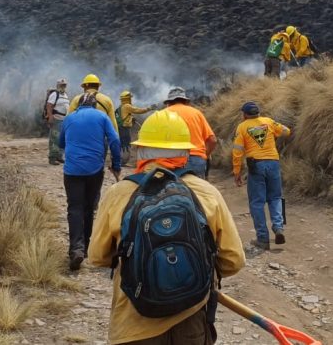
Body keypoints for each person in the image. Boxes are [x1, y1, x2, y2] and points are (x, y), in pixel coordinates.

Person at [88, 110, 246, 344]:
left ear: (142, 150)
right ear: (185, 152)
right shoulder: (206, 192)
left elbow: (97, 257)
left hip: (133, 325)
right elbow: (233, 260)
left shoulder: (118, 194)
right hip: (191, 322)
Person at [59, 92, 122, 271]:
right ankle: (85, 249)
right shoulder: (102, 117)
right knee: (88, 208)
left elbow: (60, 142)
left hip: (72, 171)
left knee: (74, 208)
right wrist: (116, 163)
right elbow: (115, 140)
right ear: (94, 105)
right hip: (95, 170)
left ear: (79, 105)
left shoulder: (69, 118)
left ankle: (76, 249)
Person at [231, 101, 291, 251]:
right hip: (273, 163)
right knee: (275, 197)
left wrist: (237, 172)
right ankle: (278, 228)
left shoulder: (242, 127)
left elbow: (237, 152)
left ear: (244, 115)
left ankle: (263, 239)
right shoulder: (268, 122)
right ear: (258, 113)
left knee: (257, 202)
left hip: (256, 166)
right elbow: (286, 131)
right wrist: (274, 133)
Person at [163, 87, 216, 179]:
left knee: (172, 191)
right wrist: (204, 156)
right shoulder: (196, 113)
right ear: (186, 101)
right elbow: (213, 140)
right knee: (198, 192)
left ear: (168, 103)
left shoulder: (162, 114)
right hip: (196, 160)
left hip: (171, 160)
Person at [116, 90, 154, 164]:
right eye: (130, 98)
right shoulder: (127, 106)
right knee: (126, 145)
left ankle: (121, 160)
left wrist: (131, 118)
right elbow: (138, 110)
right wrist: (149, 108)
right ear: (128, 98)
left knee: (122, 144)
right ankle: (123, 161)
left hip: (120, 128)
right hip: (124, 129)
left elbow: (125, 116)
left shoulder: (121, 107)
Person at [44, 78, 71, 165]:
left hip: (64, 120)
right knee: (55, 139)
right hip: (56, 119)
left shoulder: (65, 95)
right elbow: (49, 105)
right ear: (58, 85)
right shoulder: (55, 94)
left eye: (64, 85)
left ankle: (59, 157)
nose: (63, 86)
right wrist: (50, 117)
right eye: (61, 85)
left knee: (63, 139)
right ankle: (52, 158)